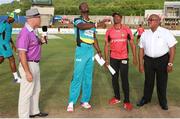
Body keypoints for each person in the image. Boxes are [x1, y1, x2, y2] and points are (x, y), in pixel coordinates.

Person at [67, 2, 106, 112]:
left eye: (86, 5)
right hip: (81, 50)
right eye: (83, 5)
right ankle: (71, 101)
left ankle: (85, 100)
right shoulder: (77, 20)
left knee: (88, 77)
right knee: (77, 76)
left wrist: (98, 51)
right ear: (80, 9)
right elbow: (81, 27)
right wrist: (97, 25)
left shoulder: (91, 23)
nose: (85, 5)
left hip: (90, 51)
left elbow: (94, 38)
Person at [137, 14, 178, 110]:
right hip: (148, 60)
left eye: (152, 19)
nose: (149, 21)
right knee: (148, 81)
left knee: (162, 82)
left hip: (162, 60)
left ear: (158, 21)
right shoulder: (145, 33)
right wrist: (140, 64)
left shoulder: (166, 32)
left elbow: (172, 48)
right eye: (149, 20)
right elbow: (141, 49)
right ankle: (146, 99)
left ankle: (163, 102)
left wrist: (170, 63)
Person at [16, 8, 48, 118]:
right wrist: (27, 72)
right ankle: (24, 116)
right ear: (33, 18)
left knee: (36, 90)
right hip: (28, 64)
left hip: (35, 64)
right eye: (39, 17)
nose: (40, 20)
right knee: (26, 93)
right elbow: (21, 54)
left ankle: (33, 111)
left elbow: (34, 44)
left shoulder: (33, 31)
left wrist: (41, 41)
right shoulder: (25, 33)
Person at [104, 12, 137, 110]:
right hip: (113, 58)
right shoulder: (109, 31)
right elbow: (106, 46)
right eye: (114, 17)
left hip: (124, 58)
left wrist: (135, 57)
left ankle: (127, 101)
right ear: (113, 19)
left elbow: (132, 43)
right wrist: (106, 59)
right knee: (114, 78)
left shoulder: (126, 29)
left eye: (118, 17)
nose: (116, 18)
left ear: (121, 18)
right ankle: (117, 97)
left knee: (124, 79)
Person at [0, 12, 21, 83]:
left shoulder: (9, 25)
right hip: (3, 45)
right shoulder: (4, 24)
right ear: (10, 17)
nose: (14, 20)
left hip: (5, 44)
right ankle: (16, 78)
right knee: (12, 59)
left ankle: (16, 78)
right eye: (14, 19)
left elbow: (8, 36)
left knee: (1, 59)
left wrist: (13, 44)